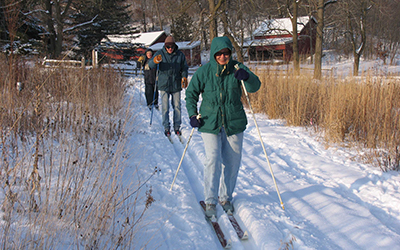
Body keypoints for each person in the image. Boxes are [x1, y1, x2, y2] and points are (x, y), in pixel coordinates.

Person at [185, 36, 261, 219]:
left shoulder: (237, 68)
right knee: (213, 159)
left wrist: (247, 77)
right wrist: (192, 114)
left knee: (233, 161)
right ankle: (210, 200)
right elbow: (191, 93)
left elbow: (254, 86)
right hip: (209, 122)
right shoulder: (204, 71)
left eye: (226, 53)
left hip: (233, 122)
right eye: (218, 53)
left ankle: (225, 198)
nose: (222, 57)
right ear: (213, 54)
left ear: (230, 53)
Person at [148, 35, 189, 137]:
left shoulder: (180, 55)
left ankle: (177, 126)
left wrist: (184, 77)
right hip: (164, 84)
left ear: (174, 46)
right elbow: (150, 65)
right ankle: (166, 127)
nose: (170, 49)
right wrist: (154, 61)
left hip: (176, 84)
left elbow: (184, 67)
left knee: (177, 107)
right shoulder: (159, 54)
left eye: (172, 47)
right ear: (165, 46)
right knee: (165, 108)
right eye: (168, 47)